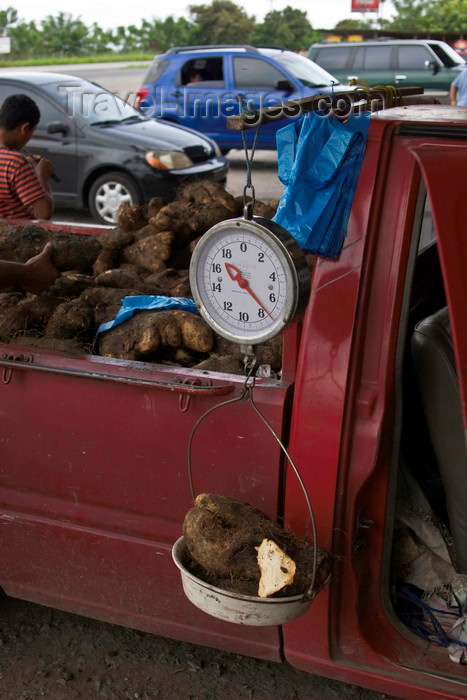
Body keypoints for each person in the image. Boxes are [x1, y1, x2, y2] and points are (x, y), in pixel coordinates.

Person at [0, 93, 55, 220]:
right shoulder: (15, 163)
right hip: (13, 237)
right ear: (25, 128)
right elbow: (44, 213)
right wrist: (42, 176)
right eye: (32, 132)